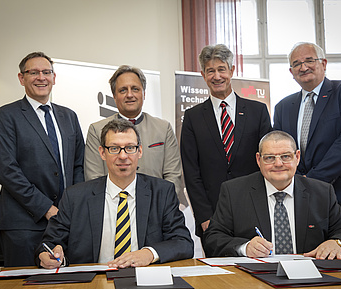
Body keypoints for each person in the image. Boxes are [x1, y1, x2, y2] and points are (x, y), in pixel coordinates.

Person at [37, 119, 193, 269]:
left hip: (145, 279)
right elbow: (48, 245)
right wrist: (50, 255)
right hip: (94, 282)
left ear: (139, 151)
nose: (123, 156)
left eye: (130, 148)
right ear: (102, 153)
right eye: (114, 148)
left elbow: (183, 243)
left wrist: (149, 253)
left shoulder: (162, 192)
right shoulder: (75, 197)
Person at [273, 42, 341, 250]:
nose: (303, 67)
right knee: (310, 260)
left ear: (324, 63)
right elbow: (282, 150)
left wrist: (311, 181)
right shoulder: (283, 106)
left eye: (309, 60)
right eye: (297, 63)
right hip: (303, 199)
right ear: (291, 72)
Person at [204, 131, 341, 259]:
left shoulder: (321, 192)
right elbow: (213, 238)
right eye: (270, 158)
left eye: (286, 156)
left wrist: (338, 243)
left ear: (297, 157)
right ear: (259, 160)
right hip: (254, 278)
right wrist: (245, 248)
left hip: (309, 278)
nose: (278, 164)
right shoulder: (234, 191)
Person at [0, 52, 85, 267]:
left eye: (46, 72)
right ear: (21, 78)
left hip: (64, 222)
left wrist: (72, 208)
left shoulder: (69, 116)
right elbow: (7, 170)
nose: (41, 77)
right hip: (23, 224)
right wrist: (46, 208)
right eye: (33, 72)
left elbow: (78, 165)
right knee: (25, 283)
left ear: (54, 77)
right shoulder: (7, 115)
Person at [180, 44, 272, 239]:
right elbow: (191, 171)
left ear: (231, 71)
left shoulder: (258, 112)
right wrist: (204, 217)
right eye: (210, 71)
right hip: (213, 216)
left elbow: (267, 162)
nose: (217, 76)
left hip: (254, 210)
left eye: (222, 69)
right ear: (203, 75)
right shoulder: (192, 117)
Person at [84, 65, 184, 201]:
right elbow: (94, 178)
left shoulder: (163, 128)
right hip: (113, 209)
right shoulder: (97, 130)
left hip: (157, 209)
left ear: (144, 93)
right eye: (123, 90)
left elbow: (173, 176)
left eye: (135, 89)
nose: (129, 95)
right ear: (114, 96)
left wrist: (160, 206)